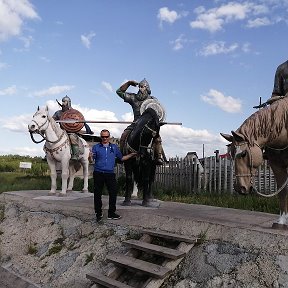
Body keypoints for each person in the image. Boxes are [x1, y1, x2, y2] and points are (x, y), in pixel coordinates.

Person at [116, 78, 165, 165]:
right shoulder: (133, 98)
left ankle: (158, 157)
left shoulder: (153, 100)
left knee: (157, 139)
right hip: (135, 124)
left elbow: (158, 113)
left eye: (142, 87)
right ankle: (121, 156)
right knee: (124, 135)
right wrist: (128, 83)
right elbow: (119, 92)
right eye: (139, 87)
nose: (140, 89)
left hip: (148, 125)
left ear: (147, 88)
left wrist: (158, 122)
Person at [92, 129, 136, 222]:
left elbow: (121, 158)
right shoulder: (96, 147)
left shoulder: (114, 147)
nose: (104, 138)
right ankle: (98, 213)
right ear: (101, 137)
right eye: (103, 137)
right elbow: (92, 160)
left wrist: (131, 155)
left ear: (109, 137)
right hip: (98, 173)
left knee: (113, 192)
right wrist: (89, 157)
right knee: (97, 194)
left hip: (110, 174)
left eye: (106, 137)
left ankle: (111, 213)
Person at [52, 95, 93, 160]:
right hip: (61, 131)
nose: (63, 103)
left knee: (72, 137)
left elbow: (82, 121)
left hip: (71, 132)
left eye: (65, 102)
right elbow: (52, 121)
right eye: (62, 102)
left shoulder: (74, 113)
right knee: (51, 137)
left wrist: (88, 130)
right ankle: (49, 153)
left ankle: (75, 154)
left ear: (68, 103)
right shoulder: (58, 113)